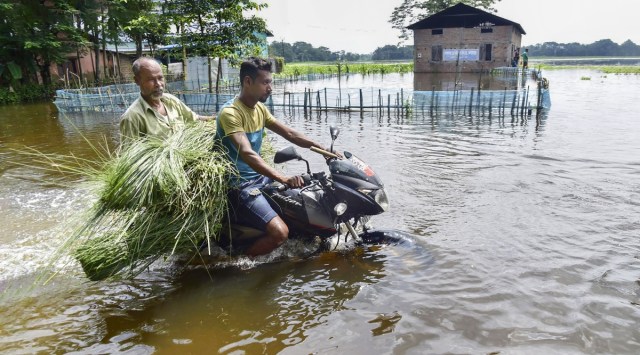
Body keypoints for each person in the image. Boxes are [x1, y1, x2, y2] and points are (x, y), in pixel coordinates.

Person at [216, 57, 330, 257]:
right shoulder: (231, 113)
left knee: (305, 206)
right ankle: (238, 264)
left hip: (260, 179)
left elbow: (291, 134)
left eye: (271, 82)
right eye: (265, 82)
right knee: (280, 233)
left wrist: (323, 150)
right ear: (248, 82)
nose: (270, 87)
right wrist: (283, 178)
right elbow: (248, 153)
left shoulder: (260, 109)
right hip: (240, 185)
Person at [119, 57, 213, 145]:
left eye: (160, 78)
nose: (158, 84)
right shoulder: (132, 117)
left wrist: (217, 118)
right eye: (151, 80)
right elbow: (131, 157)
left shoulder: (171, 101)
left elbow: (194, 119)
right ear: (137, 81)